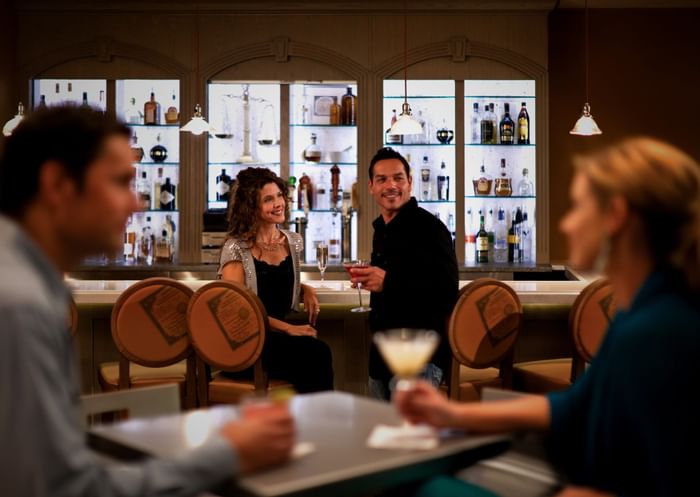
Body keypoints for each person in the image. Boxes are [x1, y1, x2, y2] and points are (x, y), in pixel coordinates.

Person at [0, 105, 295, 497]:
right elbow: (64, 488)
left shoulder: (32, 284)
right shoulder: (19, 305)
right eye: (121, 182)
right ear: (58, 185)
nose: (136, 204)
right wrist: (227, 453)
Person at [395, 137, 700, 497]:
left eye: (576, 207)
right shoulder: (637, 314)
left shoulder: (661, 331)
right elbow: (571, 406)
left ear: (615, 215)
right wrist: (451, 415)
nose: (566, 224)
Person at [350, 147, 458, 400]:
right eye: (382, 179)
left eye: (398, 178)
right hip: (381, 358)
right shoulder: (382, 230)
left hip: (418, 361)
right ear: (371, 187)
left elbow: (446, 292)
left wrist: (388, 281)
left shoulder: (430, 228)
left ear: (410, 182)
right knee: (384, 437)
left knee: (411, 438)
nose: (391, 185)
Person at [218, 167, 333, 393]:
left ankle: (309, 422)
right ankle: (316, 423)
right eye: (268, 199)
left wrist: (304, 289)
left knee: (316, 352)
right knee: (315, 353)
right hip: (246, 343)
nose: (279, 203)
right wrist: (289, 329)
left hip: (276, 339)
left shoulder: (292, 241)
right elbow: (238, 310)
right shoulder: (236, 247)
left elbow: (276, 281)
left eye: (280, 195)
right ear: (251, 207)